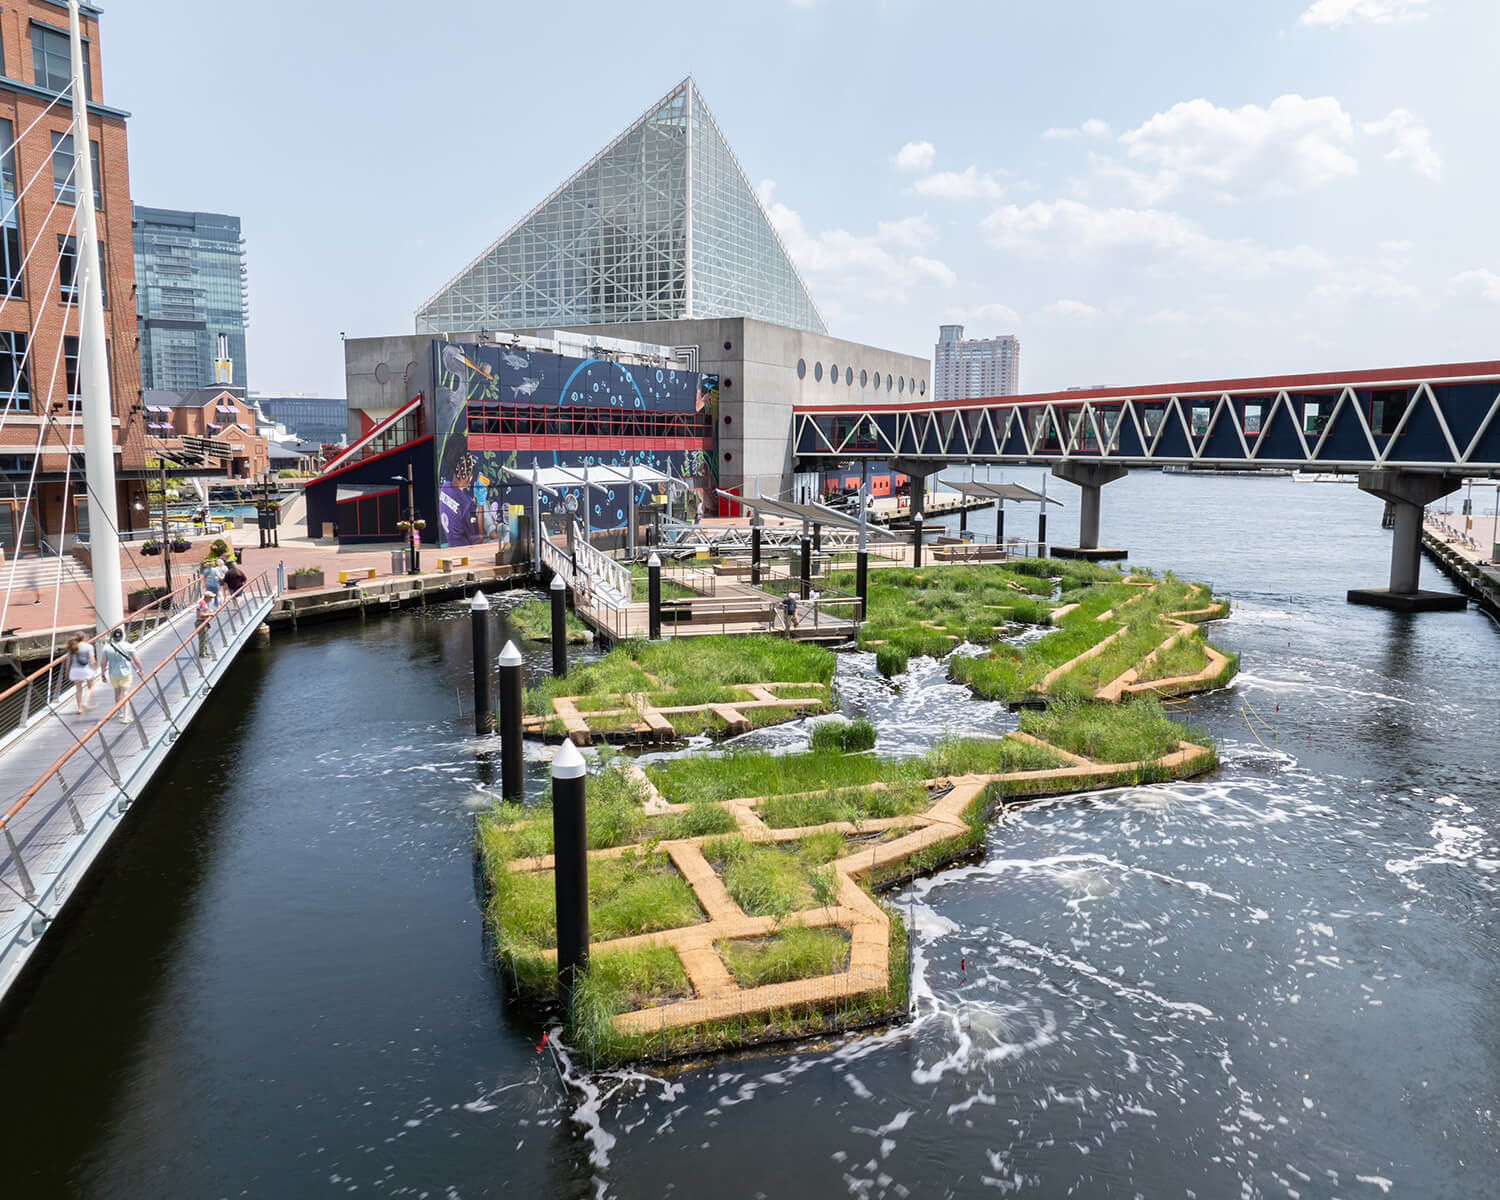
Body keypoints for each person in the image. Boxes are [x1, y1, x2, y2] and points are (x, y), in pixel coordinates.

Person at [100, 628, 143, 723]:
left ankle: (119, 712)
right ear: (122, 636)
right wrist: (140, 669)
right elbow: (136, 660)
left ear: (113, 637)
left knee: (117, 693)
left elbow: (103, 663)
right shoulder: (128, 646)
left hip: (113, 674)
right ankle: (125, 716)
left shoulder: (107, 648)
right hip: (126, 673)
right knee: (125, 694)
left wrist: (103, 674)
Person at [66, 633, 96, 714]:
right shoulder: (89, 647)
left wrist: (67, 672)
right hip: (86, 669)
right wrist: (95, 668)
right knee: (90, 686)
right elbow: (92, 660)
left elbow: (68, 661)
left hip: (74, 670)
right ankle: (85, 702)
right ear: (84, 638)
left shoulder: (72, 647)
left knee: (78, 689)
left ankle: (79, 708)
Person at [196, 592, 213, 657]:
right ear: (206, 597)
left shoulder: (204, 603)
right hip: (200, 622)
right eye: (210, 597)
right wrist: (210, 614)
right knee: (202, 639)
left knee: (205, 638)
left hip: (203, 621)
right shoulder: (202, 603)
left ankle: (205, 652)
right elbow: (201, 614)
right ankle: (202, 654)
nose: (211, 599)